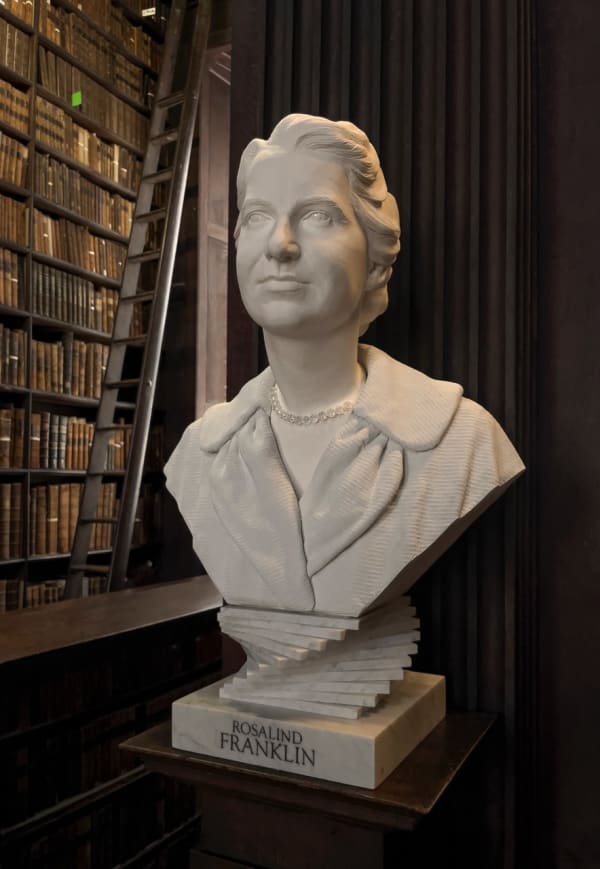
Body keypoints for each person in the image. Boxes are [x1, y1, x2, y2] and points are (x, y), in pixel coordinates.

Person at [165, 113, 524, 617]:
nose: (279, 245)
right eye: (257, 217)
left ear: (376, 259)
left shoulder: (461, 442)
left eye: (317, 215)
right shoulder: (197, 455)